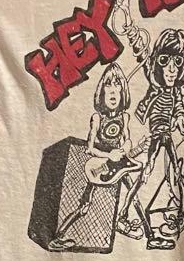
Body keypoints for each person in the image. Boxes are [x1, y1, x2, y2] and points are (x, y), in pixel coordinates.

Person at [47, 63, 144, 250]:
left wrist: (126, 147)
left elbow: (127, 140)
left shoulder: (124, 117)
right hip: (100, 165)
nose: (113, 91)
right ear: (102, 92)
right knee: (84, 206)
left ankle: (138, 227)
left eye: (117, 86)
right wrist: (109, 154)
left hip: (119, 166)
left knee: (135, 193)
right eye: (108, 86)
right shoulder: (97, 118)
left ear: (123, 92)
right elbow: (90, 148)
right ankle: (58, 237)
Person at [117, 28, 184, 249]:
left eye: (178, 61)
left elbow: (179, 107)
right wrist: (131, 30)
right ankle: (124, 215)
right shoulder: (154, 85)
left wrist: (181, 117)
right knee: (146, 175)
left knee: (176, 175)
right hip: (154, 137)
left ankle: (179, 215)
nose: (172, 69)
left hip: (166, 136)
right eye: (165, 61)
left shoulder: (175, 91)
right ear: (158, 63)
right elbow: (142, 51)